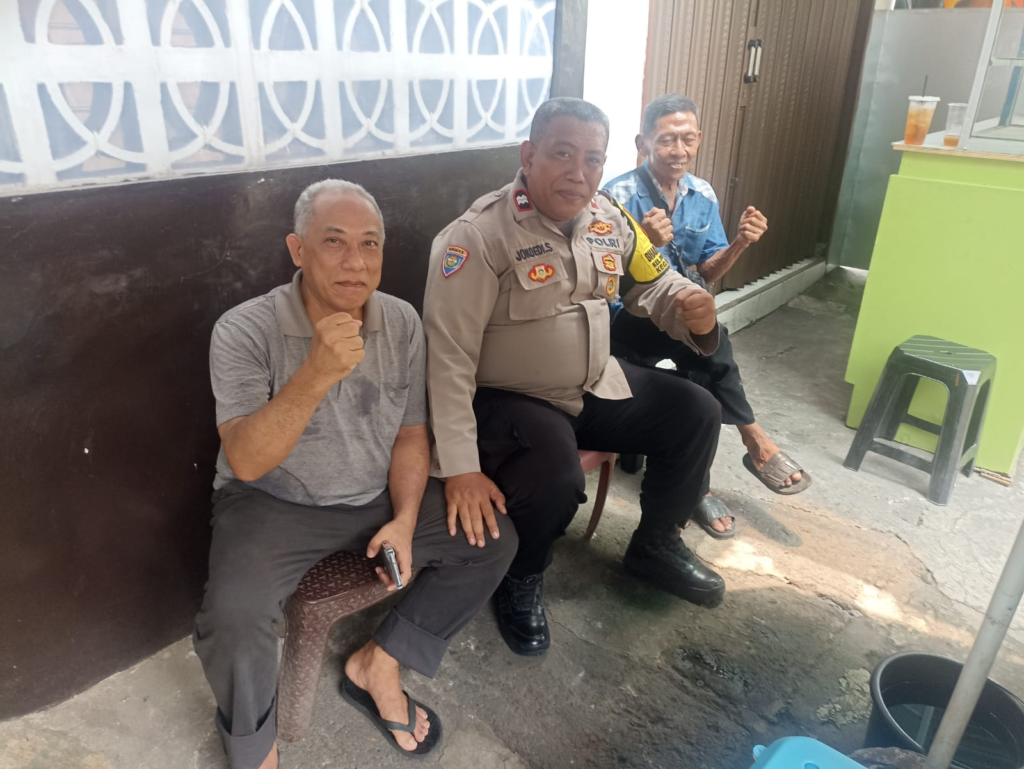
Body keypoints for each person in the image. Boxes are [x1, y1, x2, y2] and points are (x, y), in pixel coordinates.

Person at [193, 180, 517, 769]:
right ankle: (254, 749)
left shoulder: (401, 321)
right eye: (334, 241)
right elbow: (246, 459)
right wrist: (315, 373)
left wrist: (405, 519)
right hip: (272, 502)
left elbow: (411, 434)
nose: (356, 261)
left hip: (372, 495)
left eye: (370, 243)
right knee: (233, 615)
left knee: (491, 539)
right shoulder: (244, 329)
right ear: (297, 249)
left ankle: (380, 663)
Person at [422, 97, 727, 659]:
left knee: (696, 411)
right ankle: (521, 574)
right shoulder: (478, 236)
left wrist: (691, 305)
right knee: (557, 478)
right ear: (529, 155)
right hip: (511, 398)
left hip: (592, 382)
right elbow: (447, 358)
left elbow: (652, 282)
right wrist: (460, 467)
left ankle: (655, 546)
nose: (579, 173)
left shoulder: (609, 217)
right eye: (562, 154)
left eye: (592, 159)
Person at [605, 94, 812, 540]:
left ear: (698, 139)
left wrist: (740, 243)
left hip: (680, 317)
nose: (678, 150)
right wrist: (642, 241)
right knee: (703, 341)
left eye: (687, 139)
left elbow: (706, 273)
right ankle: (752, 437)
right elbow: (602, 284)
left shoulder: (702, 195)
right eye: (666, 140)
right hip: (624, 321)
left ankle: (698, 485)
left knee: (699, 362)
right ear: (643, 143)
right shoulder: (615, 197)